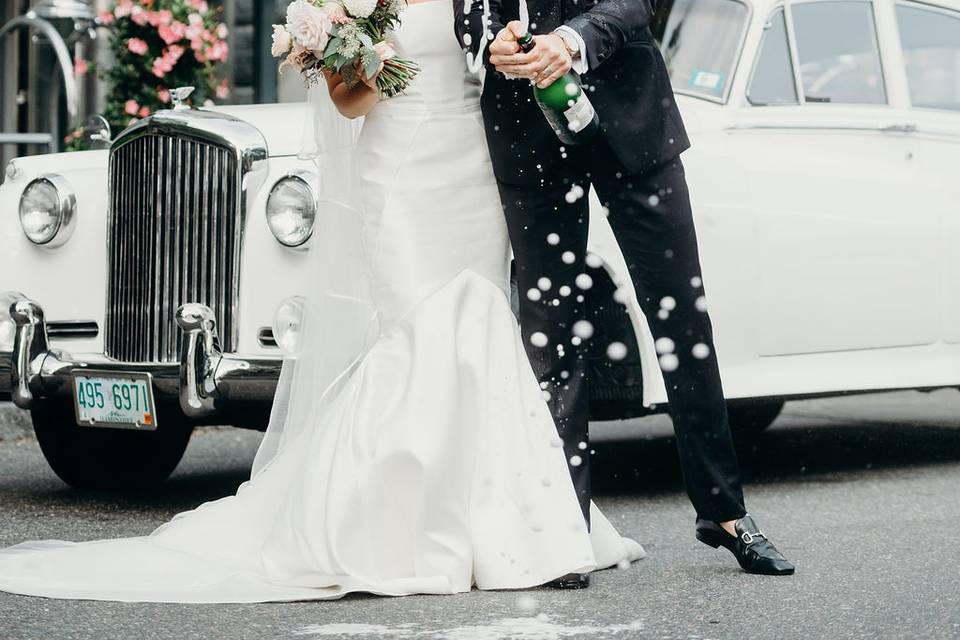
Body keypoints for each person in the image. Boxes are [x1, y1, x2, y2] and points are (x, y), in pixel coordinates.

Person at [0, 1, 642, 603]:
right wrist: (369, 56)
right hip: (402, 170)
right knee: (418, 331)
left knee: (477, 326)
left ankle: (505, 519)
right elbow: (348, 101)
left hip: (474, 167)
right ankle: (393, 524)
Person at [454, 0, 795, 582]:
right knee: (550, 334)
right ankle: (566, 529)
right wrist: (493, 43)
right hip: (524, 129)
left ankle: (725, 511)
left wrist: (572, 39)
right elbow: (469, 15)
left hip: (631, 116)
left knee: (681, 318)